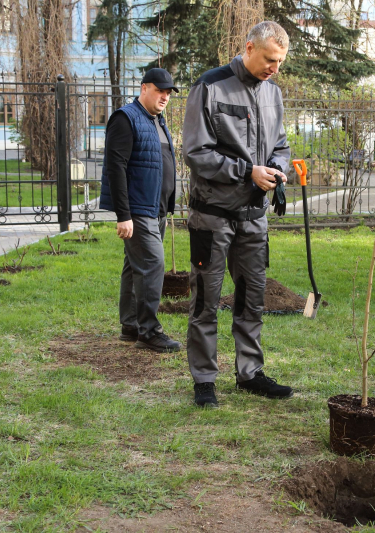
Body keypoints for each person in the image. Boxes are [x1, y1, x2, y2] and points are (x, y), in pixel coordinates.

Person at [182, 21, 293, 408]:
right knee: (205, 300)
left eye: (279, 62)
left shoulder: (273, 93)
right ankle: (204, 380)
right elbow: (196, 153)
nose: (274, 68)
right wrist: (248, 171)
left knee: (251, 298)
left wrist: (278, 169)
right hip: (212, 217)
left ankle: (250, 373)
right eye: (268, 60)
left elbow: (281, 144)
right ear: (248, 48)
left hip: (253, 217)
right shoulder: (209, 86)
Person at [99, 68, 183, 353]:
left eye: (169, 92)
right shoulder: (125, 118)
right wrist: (123, 214)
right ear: (144, 88)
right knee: (152, 265)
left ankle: (131, 325)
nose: (165, 96)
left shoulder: (156, 120)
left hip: (155, 209)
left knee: (134, 267)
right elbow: (116, 167)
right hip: (137, 211)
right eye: (160, 90)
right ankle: (149, 331)